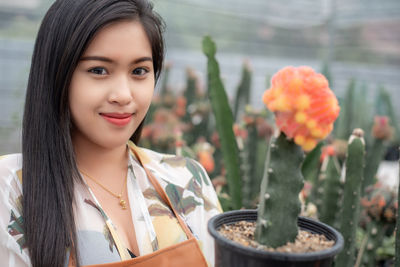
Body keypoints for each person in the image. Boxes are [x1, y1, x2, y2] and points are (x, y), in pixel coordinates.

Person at [0, 0, 222, 266]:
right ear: (57, 75)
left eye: (139, 71)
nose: (123, 95)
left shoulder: (188, 180)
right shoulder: (11, 189)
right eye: (98, 70)